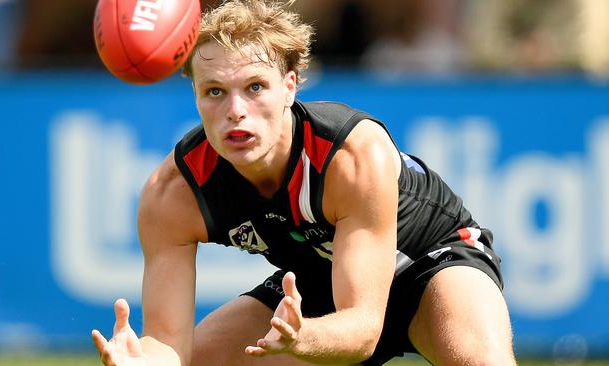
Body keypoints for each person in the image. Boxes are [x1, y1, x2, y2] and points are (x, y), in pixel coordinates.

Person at [91, 0, 517, 365]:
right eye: (215, 92)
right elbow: (169, 343)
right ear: (196, 96)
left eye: (255, 87)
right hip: (314, 282)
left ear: (290, 87)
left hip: (429, 257)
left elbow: (364, 329)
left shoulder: (350, 154)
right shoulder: (174, 192)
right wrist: (146, 359)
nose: (235, 110)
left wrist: (302, 339)